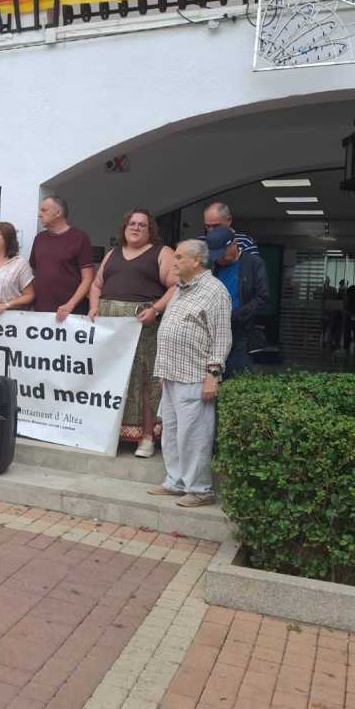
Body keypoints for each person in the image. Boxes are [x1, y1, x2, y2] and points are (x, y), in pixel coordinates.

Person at [149, 239, 232, 508]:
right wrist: (162, 370)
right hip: (172, 373)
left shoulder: (214, 291)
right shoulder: (180, 289)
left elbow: (221, 337)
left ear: (196, 261)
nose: (173, 262)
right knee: (172, 433)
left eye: (179, 257)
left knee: (194, 436)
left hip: (195, 375)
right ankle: (176, 482)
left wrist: (213, 375)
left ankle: (200, 490)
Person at [89, 209, 175, 458]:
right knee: (112, 378)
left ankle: (146, 437)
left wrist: (156, 310)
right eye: (132, 224)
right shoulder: (113, 253)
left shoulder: (162, 252)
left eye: (142, 225)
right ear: (124, 228)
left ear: (150, 230)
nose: (136, 228)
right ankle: (111, 434)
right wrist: (94, 306)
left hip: (142, 327)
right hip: (111, 329)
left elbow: (175, 286)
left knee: (143, 380)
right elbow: (96, 284)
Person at [207, 225, 269, 377]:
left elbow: (262, 297)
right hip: (213, 331)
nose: (220, 258)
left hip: (241, 332)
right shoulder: (212, 266)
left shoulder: (253, 263)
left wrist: (236, 315)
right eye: (216, 255)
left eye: (222, 253)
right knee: (211, 377)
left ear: (234, 244)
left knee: (236, 375)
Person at [29, 196, 94, 322]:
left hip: (72, 314)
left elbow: (88, 278)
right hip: (41, 312)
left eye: (44, 210)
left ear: (58, 212)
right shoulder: (39, 239)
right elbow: (34, 272)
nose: (39, 214)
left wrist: (70, 304)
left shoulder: (80, 238)